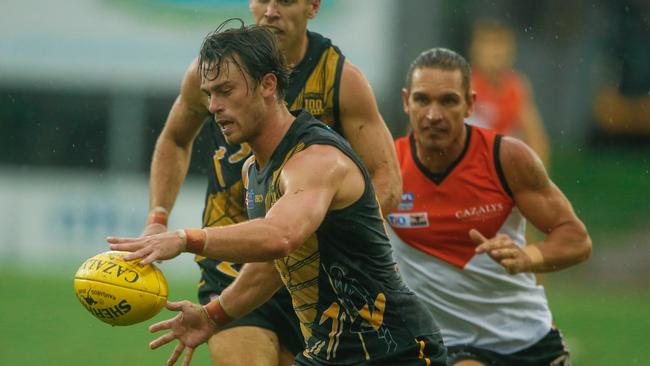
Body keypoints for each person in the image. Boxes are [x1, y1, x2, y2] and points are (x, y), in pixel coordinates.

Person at [109, 23, 446, 366]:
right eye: (209, 93)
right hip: (330, 353)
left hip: (395, 350)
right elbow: (272, 266)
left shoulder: (316, 160)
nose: (214, 106)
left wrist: (184, 239)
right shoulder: (253, 171)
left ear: (268, 85)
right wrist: (212, 316)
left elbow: (280, 237)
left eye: (225, 90)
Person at [387, 48, 592, 366]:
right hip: (444, 344)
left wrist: (527, 257)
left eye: (448, 101)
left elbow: (576, 239)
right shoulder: (387, 168)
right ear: (405, 101)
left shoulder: (506, 159)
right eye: (422, 100)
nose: (433, 115)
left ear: (470, 103)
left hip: (525, 339)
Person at [467, 20, 550, 168]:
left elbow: (536, 138)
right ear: (474, 49)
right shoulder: (463, 84)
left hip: (500, 167)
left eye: (500, 45)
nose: (495, 52)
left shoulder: (516, 87)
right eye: (488, 44)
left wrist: (538, 180)